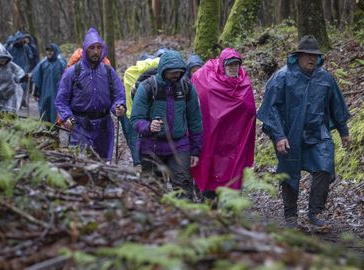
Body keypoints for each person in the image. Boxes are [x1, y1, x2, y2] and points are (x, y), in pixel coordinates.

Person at [257, 35, 351, 229]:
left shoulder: (325, 78)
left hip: (318, 133)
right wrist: (279, 135)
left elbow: (336, 106)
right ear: (298, 56)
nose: (312, 59)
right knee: (290, 172)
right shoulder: (282, 77)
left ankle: (314, 213)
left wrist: (343, 131)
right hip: (289, 134)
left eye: (315, 56)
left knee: (324, 167)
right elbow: (271, 108)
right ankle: (290, 216)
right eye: (308, 55)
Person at [130, 50, 203, 199]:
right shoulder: (147, 88)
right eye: (172, 72)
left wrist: (195, 150)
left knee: (183, 188)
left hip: (179, 146)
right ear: (163, 71)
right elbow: (135, 119)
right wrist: (148, 126)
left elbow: (195, 120)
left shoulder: (187, 88)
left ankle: (185, 219)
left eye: (179, 72)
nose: (175, 75)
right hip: (151, 146)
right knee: (154, 190)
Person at [190, 48, 256, 199]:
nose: (233, 68)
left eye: (236, 65)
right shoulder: (207, 81)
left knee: (233, 172)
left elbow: (250, 110)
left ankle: (228, 210)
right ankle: (209, 207)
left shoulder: (244, 83)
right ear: (222, 65)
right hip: (213, 137)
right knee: (212, 172)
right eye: (230, 65)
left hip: (235, 139)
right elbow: (202, 105)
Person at [55, 28, 126, 161]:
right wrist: (66, 117)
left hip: (104, 127)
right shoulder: (72, 73)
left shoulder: (109, 72)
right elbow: (61, 100)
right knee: (82, 164)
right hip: (80, 126)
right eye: (91, 47)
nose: (95, 51)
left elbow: (118, 94)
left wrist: (119, 106)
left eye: (99, 48)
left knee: (103, 164)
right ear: (85, 49)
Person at [122, 56, 160, 166]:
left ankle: (138, 163)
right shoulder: (168, 70)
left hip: (137, 118)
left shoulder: (130, 73)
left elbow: (128, 98)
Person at [31, 43, 66, 123]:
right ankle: (46, 130)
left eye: (51, 50)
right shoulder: (42, 64)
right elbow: (37, 78)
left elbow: (66, 79)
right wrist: (36, 92)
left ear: (55, 51)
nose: (49, 52)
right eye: (47, 50)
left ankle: (55, 130)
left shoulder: (61, 63)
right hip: (44, 93)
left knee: (55, 112)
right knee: (45, 110)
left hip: (57, 93)